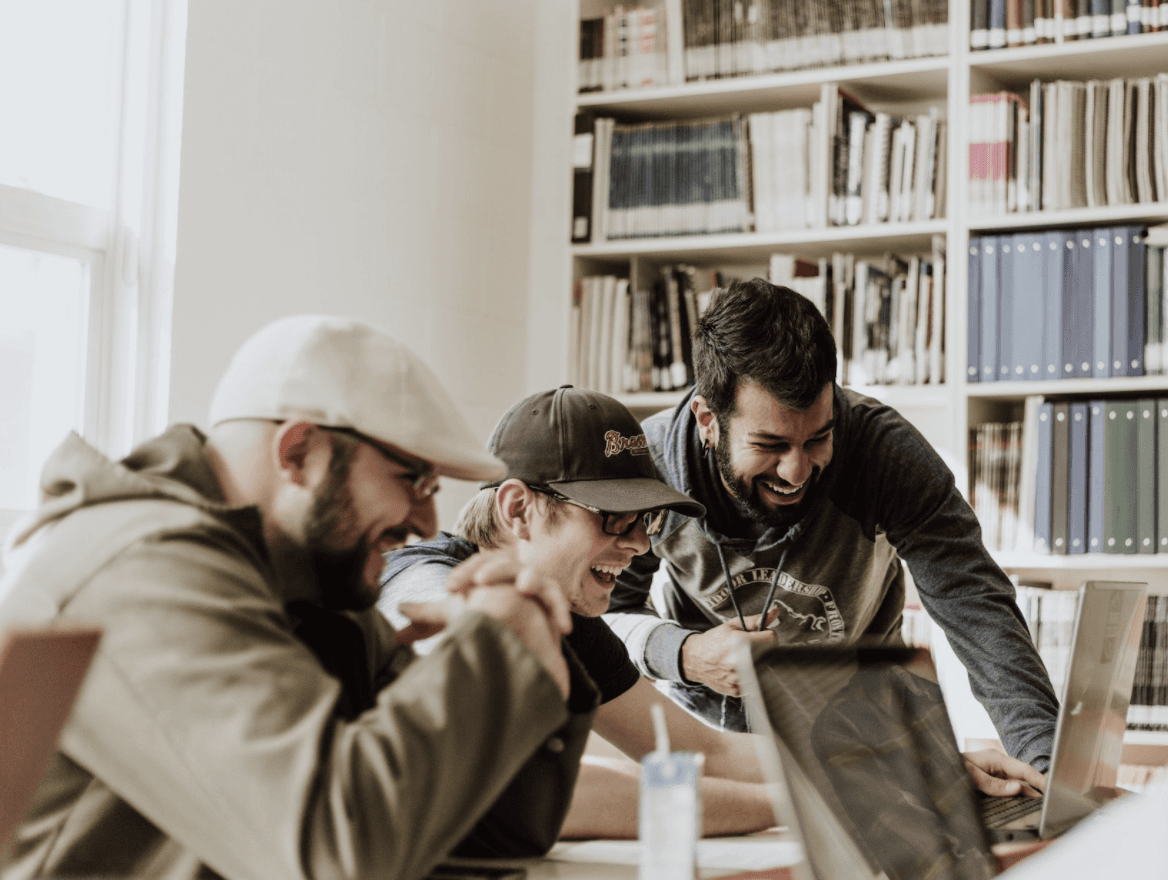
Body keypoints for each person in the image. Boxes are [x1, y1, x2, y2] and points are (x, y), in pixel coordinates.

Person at [0, 315, 599, 880]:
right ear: (299, 452)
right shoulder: (142, 568)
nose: (425, 521)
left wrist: (532, 644)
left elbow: (488, 832)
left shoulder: (312, 590)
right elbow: (334, 851)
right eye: (411, 479)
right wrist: (495, 651)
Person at [603, 278, 1060, 788]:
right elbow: (606, 616)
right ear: (708, 419)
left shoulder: (884, 451)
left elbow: (975, 604)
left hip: (867, 732)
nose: (797, 471)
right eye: (770, 445)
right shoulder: (650, 466)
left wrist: (1047, 771)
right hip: (719, 745)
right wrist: (685, 655)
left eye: (818, 438)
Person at [379, 385, 780, 838]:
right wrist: (792, 806)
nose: (640, 544)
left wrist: (850, 768)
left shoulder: (566, 617)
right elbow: (525, 789)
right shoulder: (420, 584)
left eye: (645, 520)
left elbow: (703, 752)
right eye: (614, 516)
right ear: (518, 510)